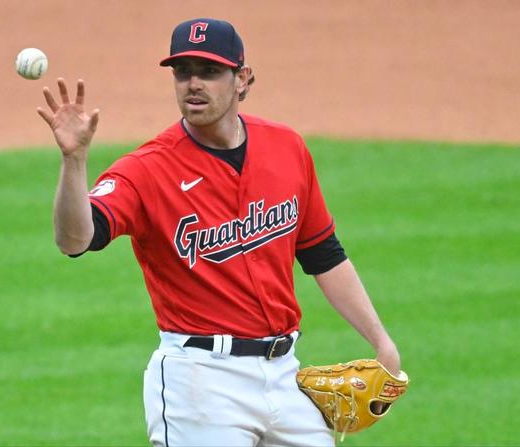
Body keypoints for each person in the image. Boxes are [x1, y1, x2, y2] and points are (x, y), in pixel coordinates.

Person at [37, 18, 401, 447]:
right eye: (182, 71)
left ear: (242, 79)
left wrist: (381, 340)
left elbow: (324, 254)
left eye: (209, 72)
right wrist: (74, 160)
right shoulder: (147, 169)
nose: (193, 83)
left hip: (285, 377)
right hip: (200, 383)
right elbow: (75, 240)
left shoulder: (287, 148)